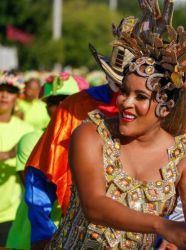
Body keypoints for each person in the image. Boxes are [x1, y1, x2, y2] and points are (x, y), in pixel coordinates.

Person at [46, 0, 186, 249]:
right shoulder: (91, 135)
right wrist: (161, 226)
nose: (125, 103)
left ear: (166, 107)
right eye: (123, 91)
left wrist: (181, 243)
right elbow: (94, 206)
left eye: (140, 97)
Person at [24, 17, 135, 249]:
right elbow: (41, 173)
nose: (124, 96)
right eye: (117, 82)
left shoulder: (161, 113)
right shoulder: (75, 107)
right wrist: (42, 234)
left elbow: (177, 180)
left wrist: (169, 234)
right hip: (80, 234)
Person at [5, 73, 82, 250]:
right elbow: (41, 196)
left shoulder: (92, 139)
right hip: (31, 240)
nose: (62, 105)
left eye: (67, 99)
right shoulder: (32, 140)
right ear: (46, 107)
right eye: (54, 101)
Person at [0, 71, 34, 246]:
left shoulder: (26, 131)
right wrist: (6, 155)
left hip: (10, 214)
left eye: (10, 91)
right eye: (1, 89)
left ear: (17, 96)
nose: (4, 95)